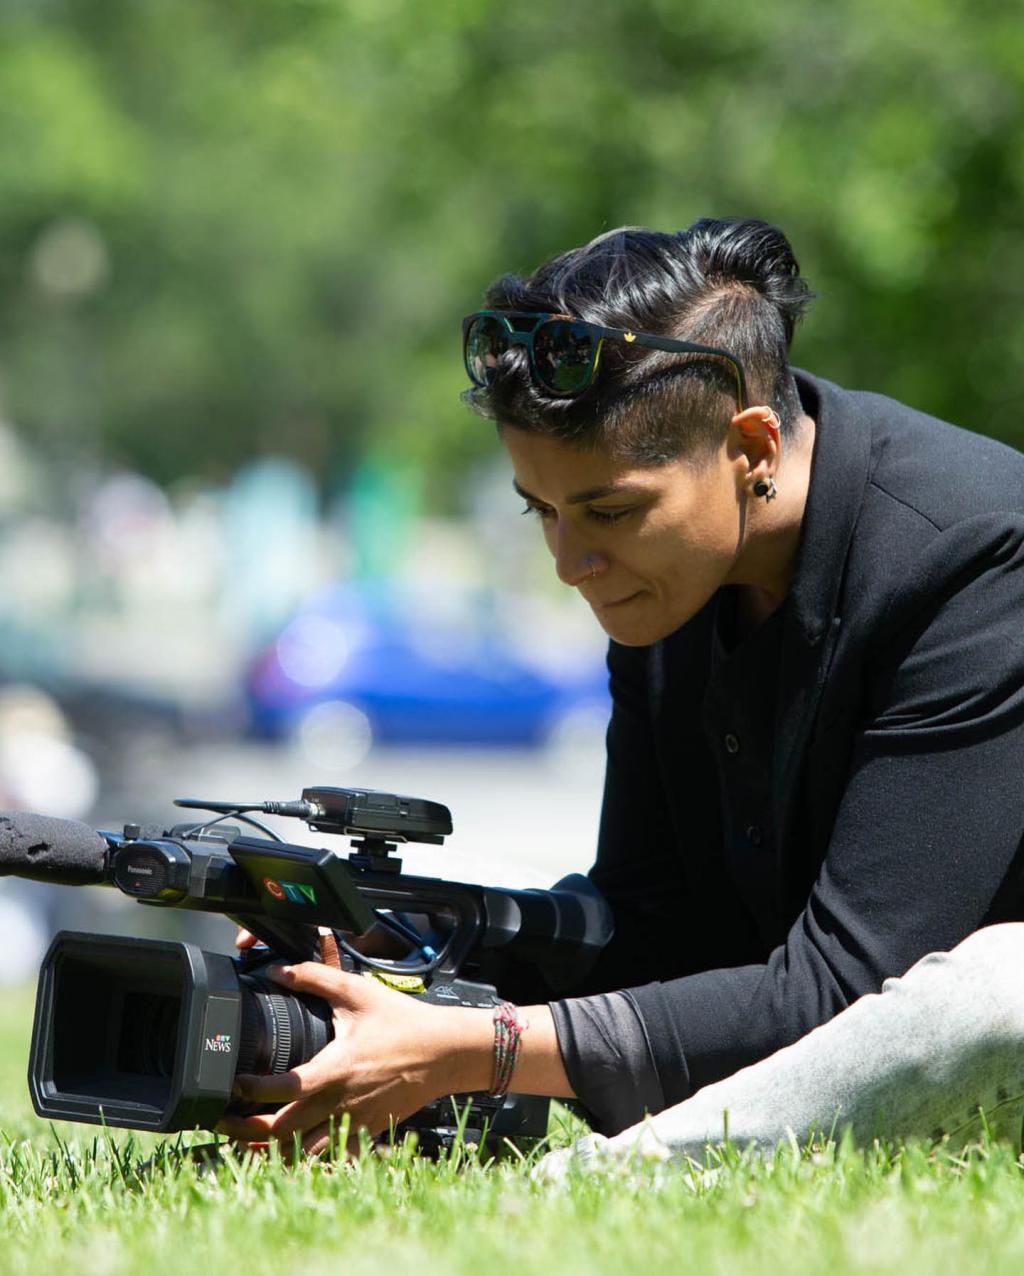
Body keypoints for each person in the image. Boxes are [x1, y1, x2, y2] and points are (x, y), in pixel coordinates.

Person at [217, 218, 1024, 1167]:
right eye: (543, 511)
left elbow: (845, 990)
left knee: (998, 993)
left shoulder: (973, 556)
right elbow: (651, 924)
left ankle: (587, 1186)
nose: (571, 562)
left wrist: (480, 1048)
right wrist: (399, 951)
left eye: (609, 511)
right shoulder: (671, 579)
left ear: (752, 448)